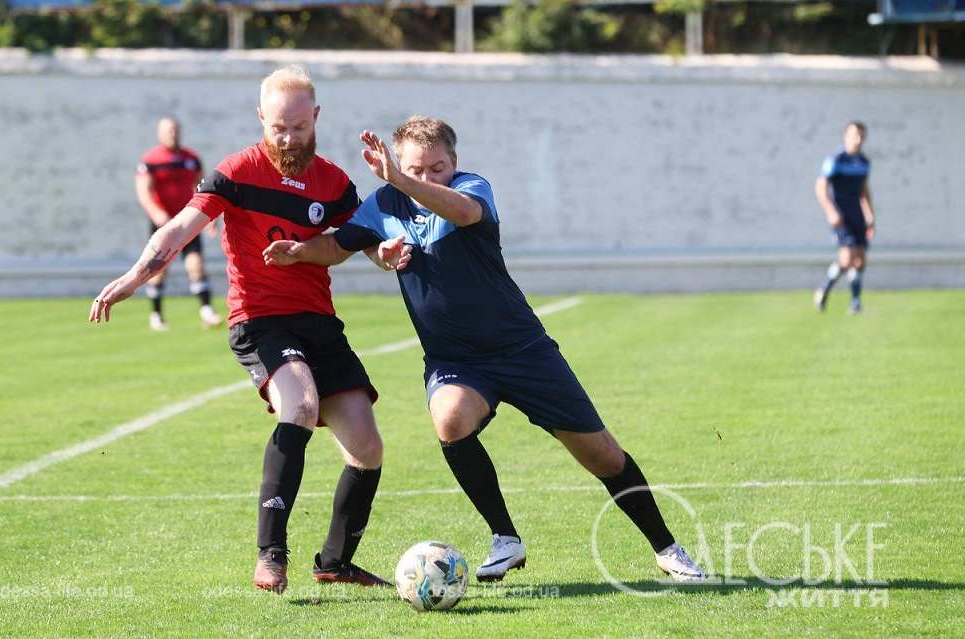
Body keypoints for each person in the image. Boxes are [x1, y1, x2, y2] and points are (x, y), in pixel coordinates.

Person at [263, 116, 707, 583]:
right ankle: (505, 539)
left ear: (454, 162)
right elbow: (337, 246)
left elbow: (463, 213)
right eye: (417, 169)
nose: (428, 177)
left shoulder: (472, 189)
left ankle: (667, 548)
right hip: (456, 361)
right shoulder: (382, 207)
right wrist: (300, 252)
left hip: (523, 350)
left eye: (438, 167)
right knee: (450, 420)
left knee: (603, 456)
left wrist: (400, 178)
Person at [92, 67, 397, 595]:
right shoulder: (235, 172)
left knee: (367, 447)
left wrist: (383, 253)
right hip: (259, 320)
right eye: (278, 127)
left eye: (298, 127)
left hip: (320, 323)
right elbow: (180, 228)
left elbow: (360, 239)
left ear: (316, 118)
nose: (287, 138)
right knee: (298, 404)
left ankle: (335, 561)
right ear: (261, 118)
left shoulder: (334, 182)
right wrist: (135, 278)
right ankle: (271, 554)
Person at [135, 117, 222, 330]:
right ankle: (156, 315)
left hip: (188, 221)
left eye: (174, 130)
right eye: (167, 130)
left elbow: (202, 187)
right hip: (164, 224)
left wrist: (209, 216)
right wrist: (156, 214)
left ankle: (206, 311)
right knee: (159, 268)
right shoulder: (151, 160)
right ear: (160, 133)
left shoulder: (191, 158)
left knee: (196, 265)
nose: (172, 134)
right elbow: (143, 190)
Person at [813, 121, 876, 314]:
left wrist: (869, 215)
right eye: (854, 134)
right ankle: (823, 289)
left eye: (861, 135)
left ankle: (855, 303)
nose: (858, 139)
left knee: (861, 259)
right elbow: (821, 187)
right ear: (845, 136)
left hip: (857, 215)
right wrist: (830, 211)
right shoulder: (836, 160)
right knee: (847, 257)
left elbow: (864, 191)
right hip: (841, 216)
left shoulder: (864, 162)